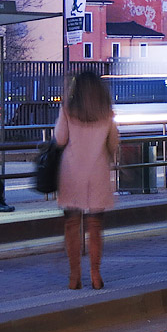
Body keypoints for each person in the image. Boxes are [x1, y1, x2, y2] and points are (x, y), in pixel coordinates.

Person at [54, 70, 119, 290]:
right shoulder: (107, 114)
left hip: (72, 173)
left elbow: (60, 139)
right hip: (98, 172)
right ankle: (95, 274)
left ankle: (74, 278)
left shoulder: (68, 111)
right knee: (95, 226)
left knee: (72, 225)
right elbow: (113, 144)